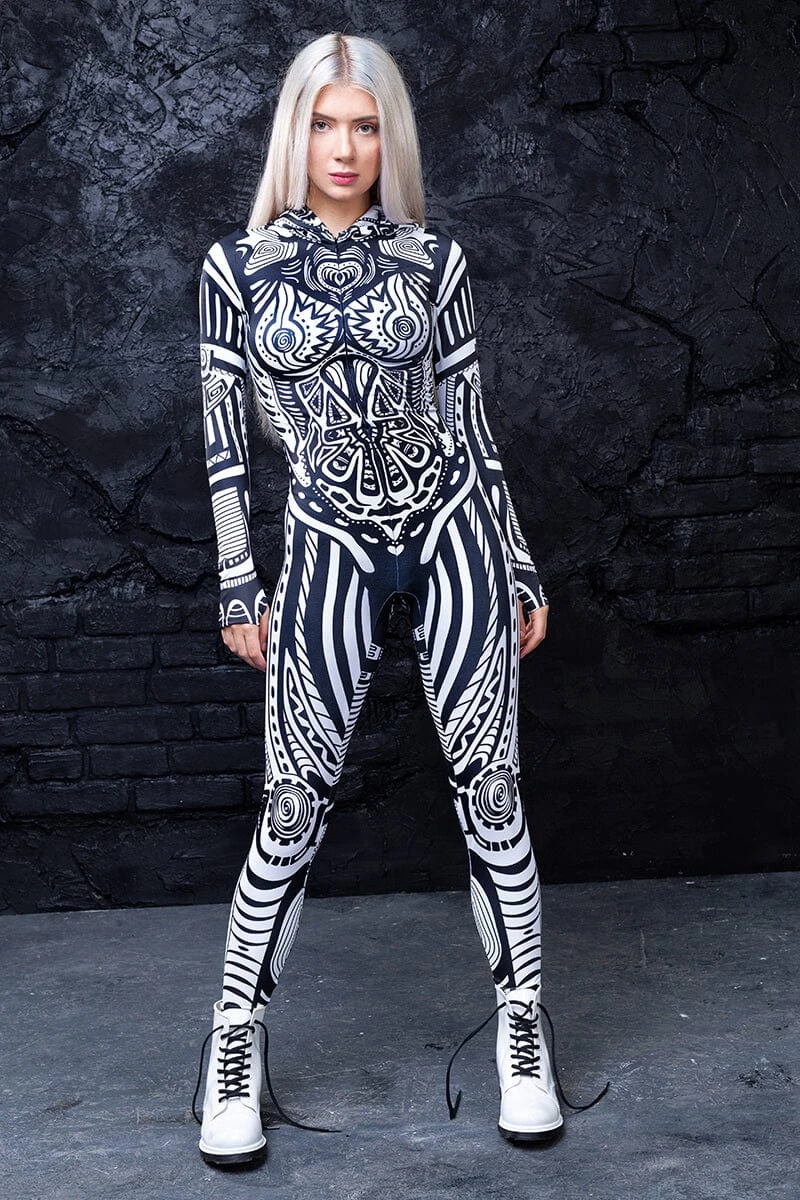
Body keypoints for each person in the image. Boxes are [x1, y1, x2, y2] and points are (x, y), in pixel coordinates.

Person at [191, 30, 575, 1167]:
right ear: (295, 132)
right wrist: (237, 584)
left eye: (365, 125)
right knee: (291, 807)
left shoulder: (434, 259)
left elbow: (472, 423)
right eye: (324, 123)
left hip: (454, 530)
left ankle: (522, 1032)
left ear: (387, 135)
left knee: (492, 793)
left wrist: (519, 563)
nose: (345, 147)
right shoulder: (234, 270)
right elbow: (225, 448)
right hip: (324, 544)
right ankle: (233, 1040)